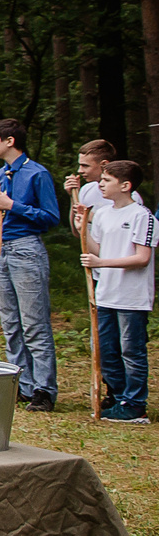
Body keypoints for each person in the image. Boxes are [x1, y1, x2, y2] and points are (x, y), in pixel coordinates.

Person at [0, 119, 63, 411]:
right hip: (1, 250)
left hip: (26, 250)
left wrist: (13, 206)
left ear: (9, 141)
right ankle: (21, 384)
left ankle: (44, 389)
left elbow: (50, 217)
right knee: (11, 324)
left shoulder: (36, 173)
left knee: (34, 324)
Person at [81, 159, 154, 424]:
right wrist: (83, 227)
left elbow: (141, 258)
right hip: (106, 294)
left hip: (132, 297)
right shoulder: (102, 213)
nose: (100, 183)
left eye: (107, 180)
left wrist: (102, 263)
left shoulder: (142, 216)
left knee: (131, 351)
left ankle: (136, 405)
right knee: (105, 350)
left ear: (125, 185)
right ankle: (121, 397)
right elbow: (98, 250)